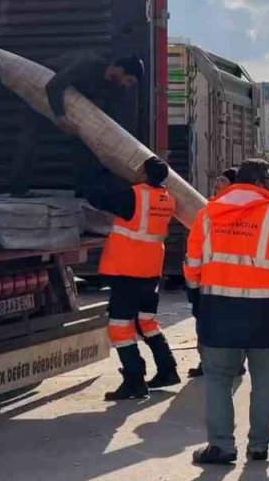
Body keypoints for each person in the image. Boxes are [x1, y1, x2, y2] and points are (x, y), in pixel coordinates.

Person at [185, 159, 269, 464]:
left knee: (218, 380)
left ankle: (221, 445)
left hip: (218, 312)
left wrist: (195, 296)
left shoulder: (208, 214)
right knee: (265, 383)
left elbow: (192, 266)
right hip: (266, 315)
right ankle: (258, 445)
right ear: (259, 182)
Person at [87, 157, 180, 400]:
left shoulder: (135, 195)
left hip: (127, 270)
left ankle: (134, 380)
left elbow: (98, 199)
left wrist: (99, 171)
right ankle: (167, 369)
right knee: (146, 322)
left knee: (119, 328)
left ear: (144, 174)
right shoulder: (168, 199)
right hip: (150, 272)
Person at [9, 54, 143, 194]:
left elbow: (109, 116)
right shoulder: (88, 65)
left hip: (71, 108)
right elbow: (54, 85)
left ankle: (83, 189)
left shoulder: (116, 89)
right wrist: (60, 116)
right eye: (128, 80)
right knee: (30, 138)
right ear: (120, 70)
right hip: (43, 94)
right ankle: (18, 187)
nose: (127, 86)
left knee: (84, 143)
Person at [189, 166, 243, 380]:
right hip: (210, 276)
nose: (216, 183)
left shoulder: (232, 210)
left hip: (225, 278)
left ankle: (233, 363)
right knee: (206, 325)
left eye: (222, 180)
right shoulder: (211, 208)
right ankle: (206, 361)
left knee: (223, 324)